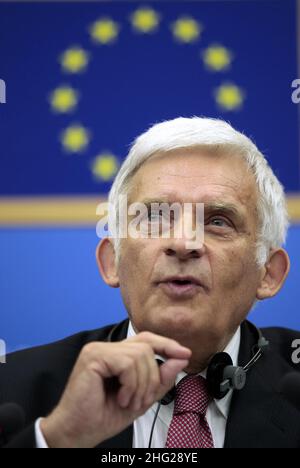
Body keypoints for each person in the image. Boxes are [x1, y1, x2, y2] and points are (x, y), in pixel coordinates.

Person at [1, 117, 300, 448]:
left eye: (218, 221)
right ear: (111, 261)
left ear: (268, 273)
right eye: (155, 217)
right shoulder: (11, 389)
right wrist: (59, 440)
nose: (185, 242)